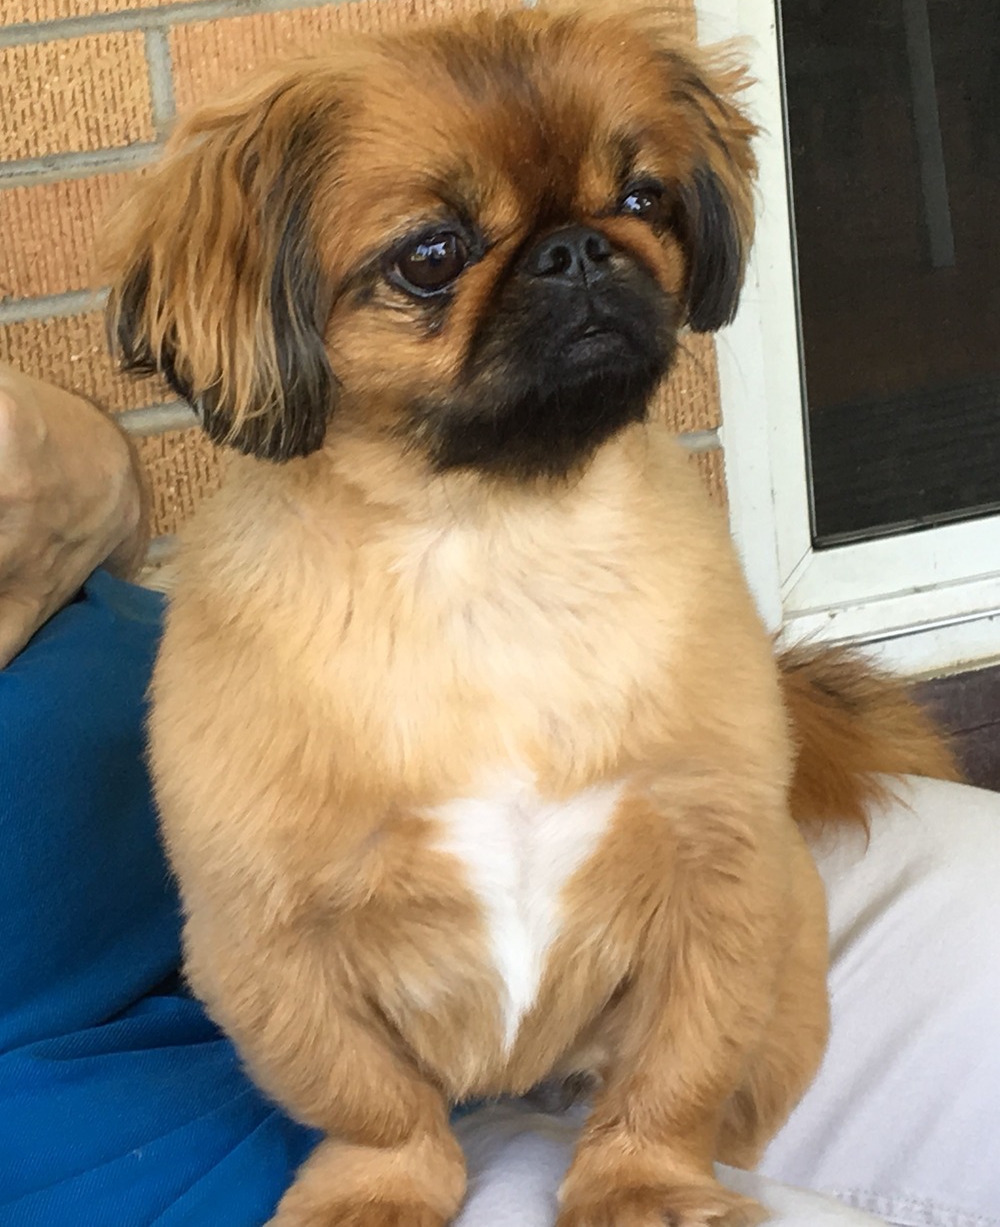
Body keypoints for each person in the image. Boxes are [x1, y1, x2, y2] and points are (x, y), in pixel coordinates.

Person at [1, 365, 997, 1227]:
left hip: (569, 889)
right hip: (144, 1123)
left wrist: (72, 463)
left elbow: (109, 479)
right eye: (433, 262)